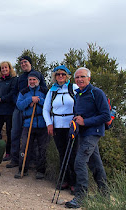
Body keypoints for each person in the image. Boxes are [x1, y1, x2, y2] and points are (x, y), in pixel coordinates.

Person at [65, 67, 111, 208]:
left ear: (89, 78)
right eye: (77, 77)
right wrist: (75, 121)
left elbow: (106, 115)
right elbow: (78, 113)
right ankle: (105, 194)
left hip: (93, 132)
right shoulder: (78, 94)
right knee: (95, 164)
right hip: (83, 133)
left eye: (82, 77)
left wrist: (85, 122)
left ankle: (81, 197)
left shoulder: (96, 93)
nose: (79, 79)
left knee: (79, 162)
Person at [43, 65, 78, 194]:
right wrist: (49, 124)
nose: (61, 76)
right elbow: (46, 109)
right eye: (58, 74)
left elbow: (80, 105)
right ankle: (65, 180)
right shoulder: (52, 91)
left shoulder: (73, 88)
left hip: (71, 126)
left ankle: (75, 182)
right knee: (62, 153)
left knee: (73, 154)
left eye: (63, 74)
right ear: (55, 77)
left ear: (67, 76)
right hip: (57, 126)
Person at [7, 55, 47, 168]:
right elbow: (15, 93)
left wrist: (36, 101)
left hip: (35, 110)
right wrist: (23, 103)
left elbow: (44, 91)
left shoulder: (38, 75)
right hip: (20, 108)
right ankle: (15, 159)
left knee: (33, 137)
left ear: (30, 63)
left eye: (25, 62)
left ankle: (32, 161)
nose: (23, 64)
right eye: (21, 63)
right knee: (15, 133)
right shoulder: (19, 78)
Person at [14, 72, 49, 179]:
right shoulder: (24, 92)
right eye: (30, 80)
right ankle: (23, 169)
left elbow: (49, 104)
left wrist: (38, 100)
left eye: (34, 79)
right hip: (28, 124)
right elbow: (19, 105)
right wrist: (30, 100)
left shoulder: (45, 91)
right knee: (24, 147)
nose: (32, 82)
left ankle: (41, 170)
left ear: (38, 80)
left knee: (42, 148)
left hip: (42, 124)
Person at [0, 61, 17, 161]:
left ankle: (8, 153)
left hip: (9, 110)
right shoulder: (0, 81)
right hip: (0, 111)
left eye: (6, 68)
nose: (4, 69)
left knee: (9, 132)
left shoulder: (14, 80)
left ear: (10, 68)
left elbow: (12, 93)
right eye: (2, 68)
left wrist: (1, 98)